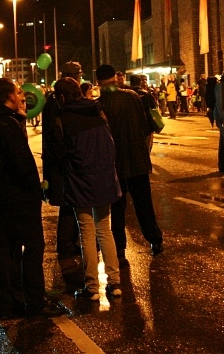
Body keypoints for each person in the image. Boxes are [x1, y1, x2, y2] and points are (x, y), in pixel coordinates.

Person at [0, 77, 62, 320]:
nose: (22, 95)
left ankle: (4, 301)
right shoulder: (7, 125)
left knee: (3, 246)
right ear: (9, 96)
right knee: (33, 247)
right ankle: (35, 301)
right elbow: (22, 165)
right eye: (17, 92)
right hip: (17, 196)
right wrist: (35, 190)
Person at [54, 78, 122, 301]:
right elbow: (111, 145)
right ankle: (115, 282)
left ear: (62, 97)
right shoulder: (97, 111)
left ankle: (92, 286)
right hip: (104, 177)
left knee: (86, 231)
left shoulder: (63, 118)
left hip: (80, 180)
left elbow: (61, 154)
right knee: (104, 229)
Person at [97, 64, 164, 259]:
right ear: (115, 78)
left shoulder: (100, 104)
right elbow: (145, 125)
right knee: (144, 204)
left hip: (115, 163)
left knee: (117, 208)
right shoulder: (132, 97)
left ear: (99, 82)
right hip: (137, 160)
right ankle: (155, 239)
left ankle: (119, 246)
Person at [41, 61, 87, 289]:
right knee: (69, 202)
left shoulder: (54, 100)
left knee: (69, 202)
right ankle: (66, 244)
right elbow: (56, 134)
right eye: (78, 75)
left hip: (59, 160)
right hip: (62, 160)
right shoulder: (58, 102)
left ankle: (68, 242)